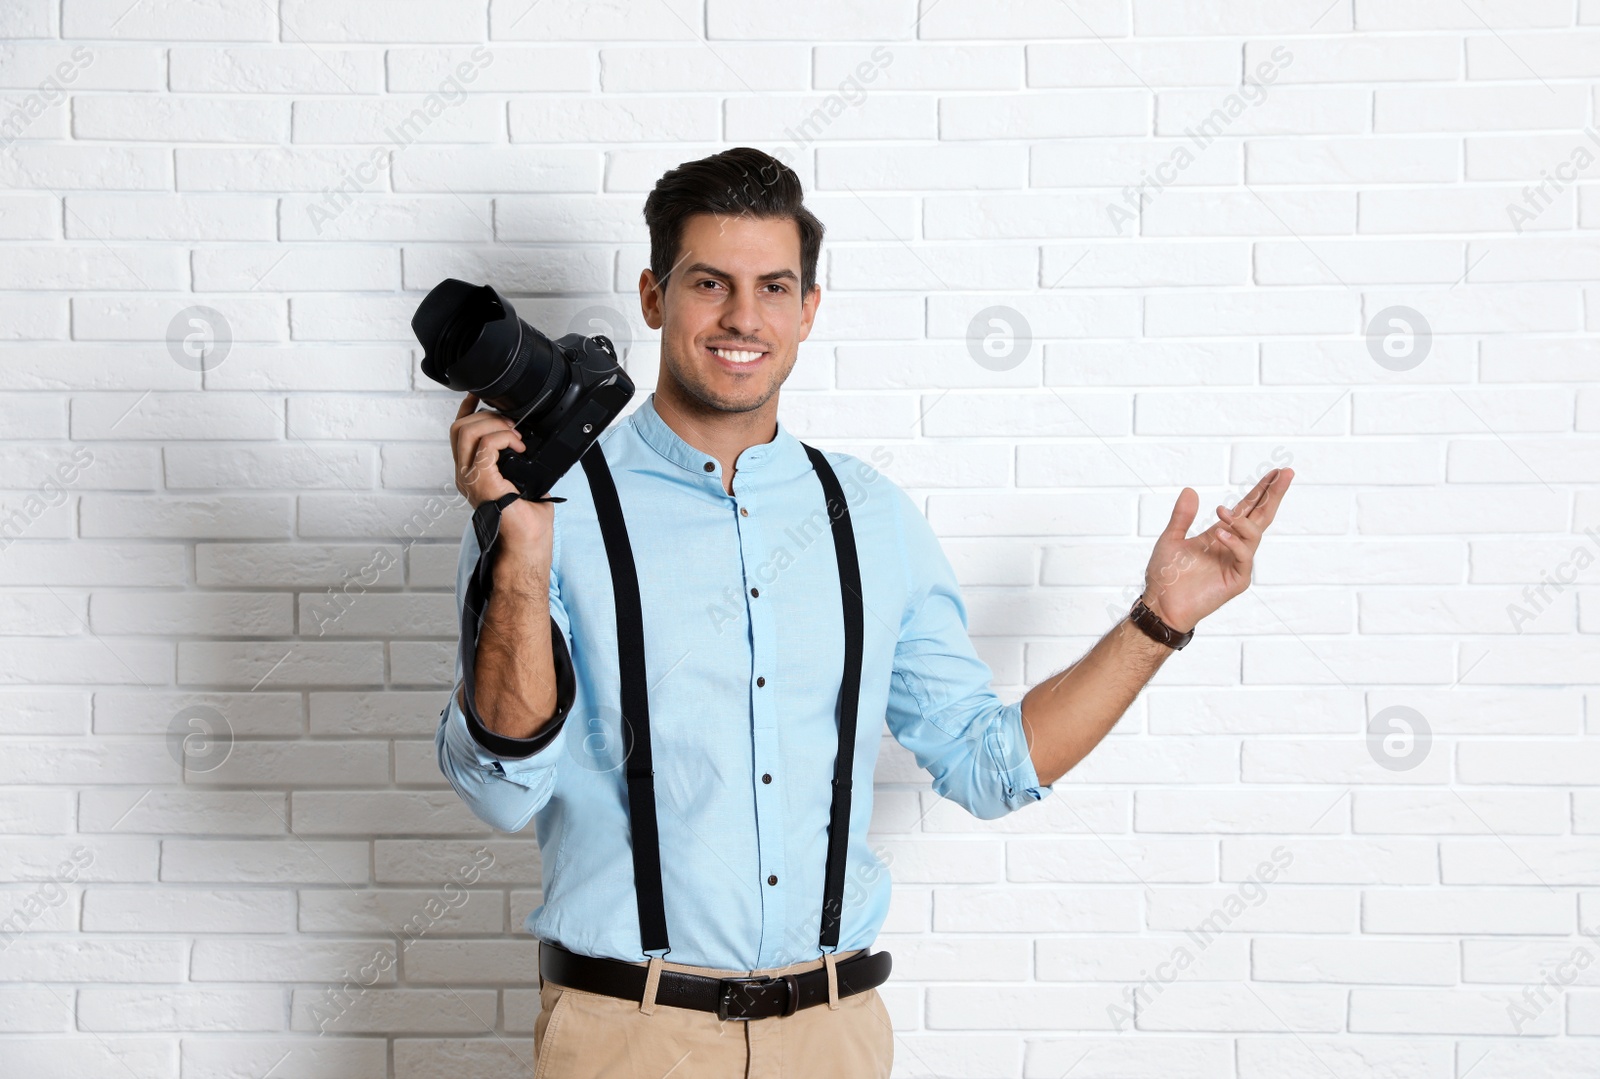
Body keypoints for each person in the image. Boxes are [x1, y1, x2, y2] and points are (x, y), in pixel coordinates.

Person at [435, 146, 1294, 1079]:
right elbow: (500, 788)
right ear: (653, 297)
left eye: (773, 287)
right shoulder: (546, 506)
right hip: (629, 1039)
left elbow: (987, 764)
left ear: (809, 309)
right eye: (709, 283)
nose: (742, 318)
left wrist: (1158, 621)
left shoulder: (870, 516)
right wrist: (515, 555)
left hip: (832, 1037)